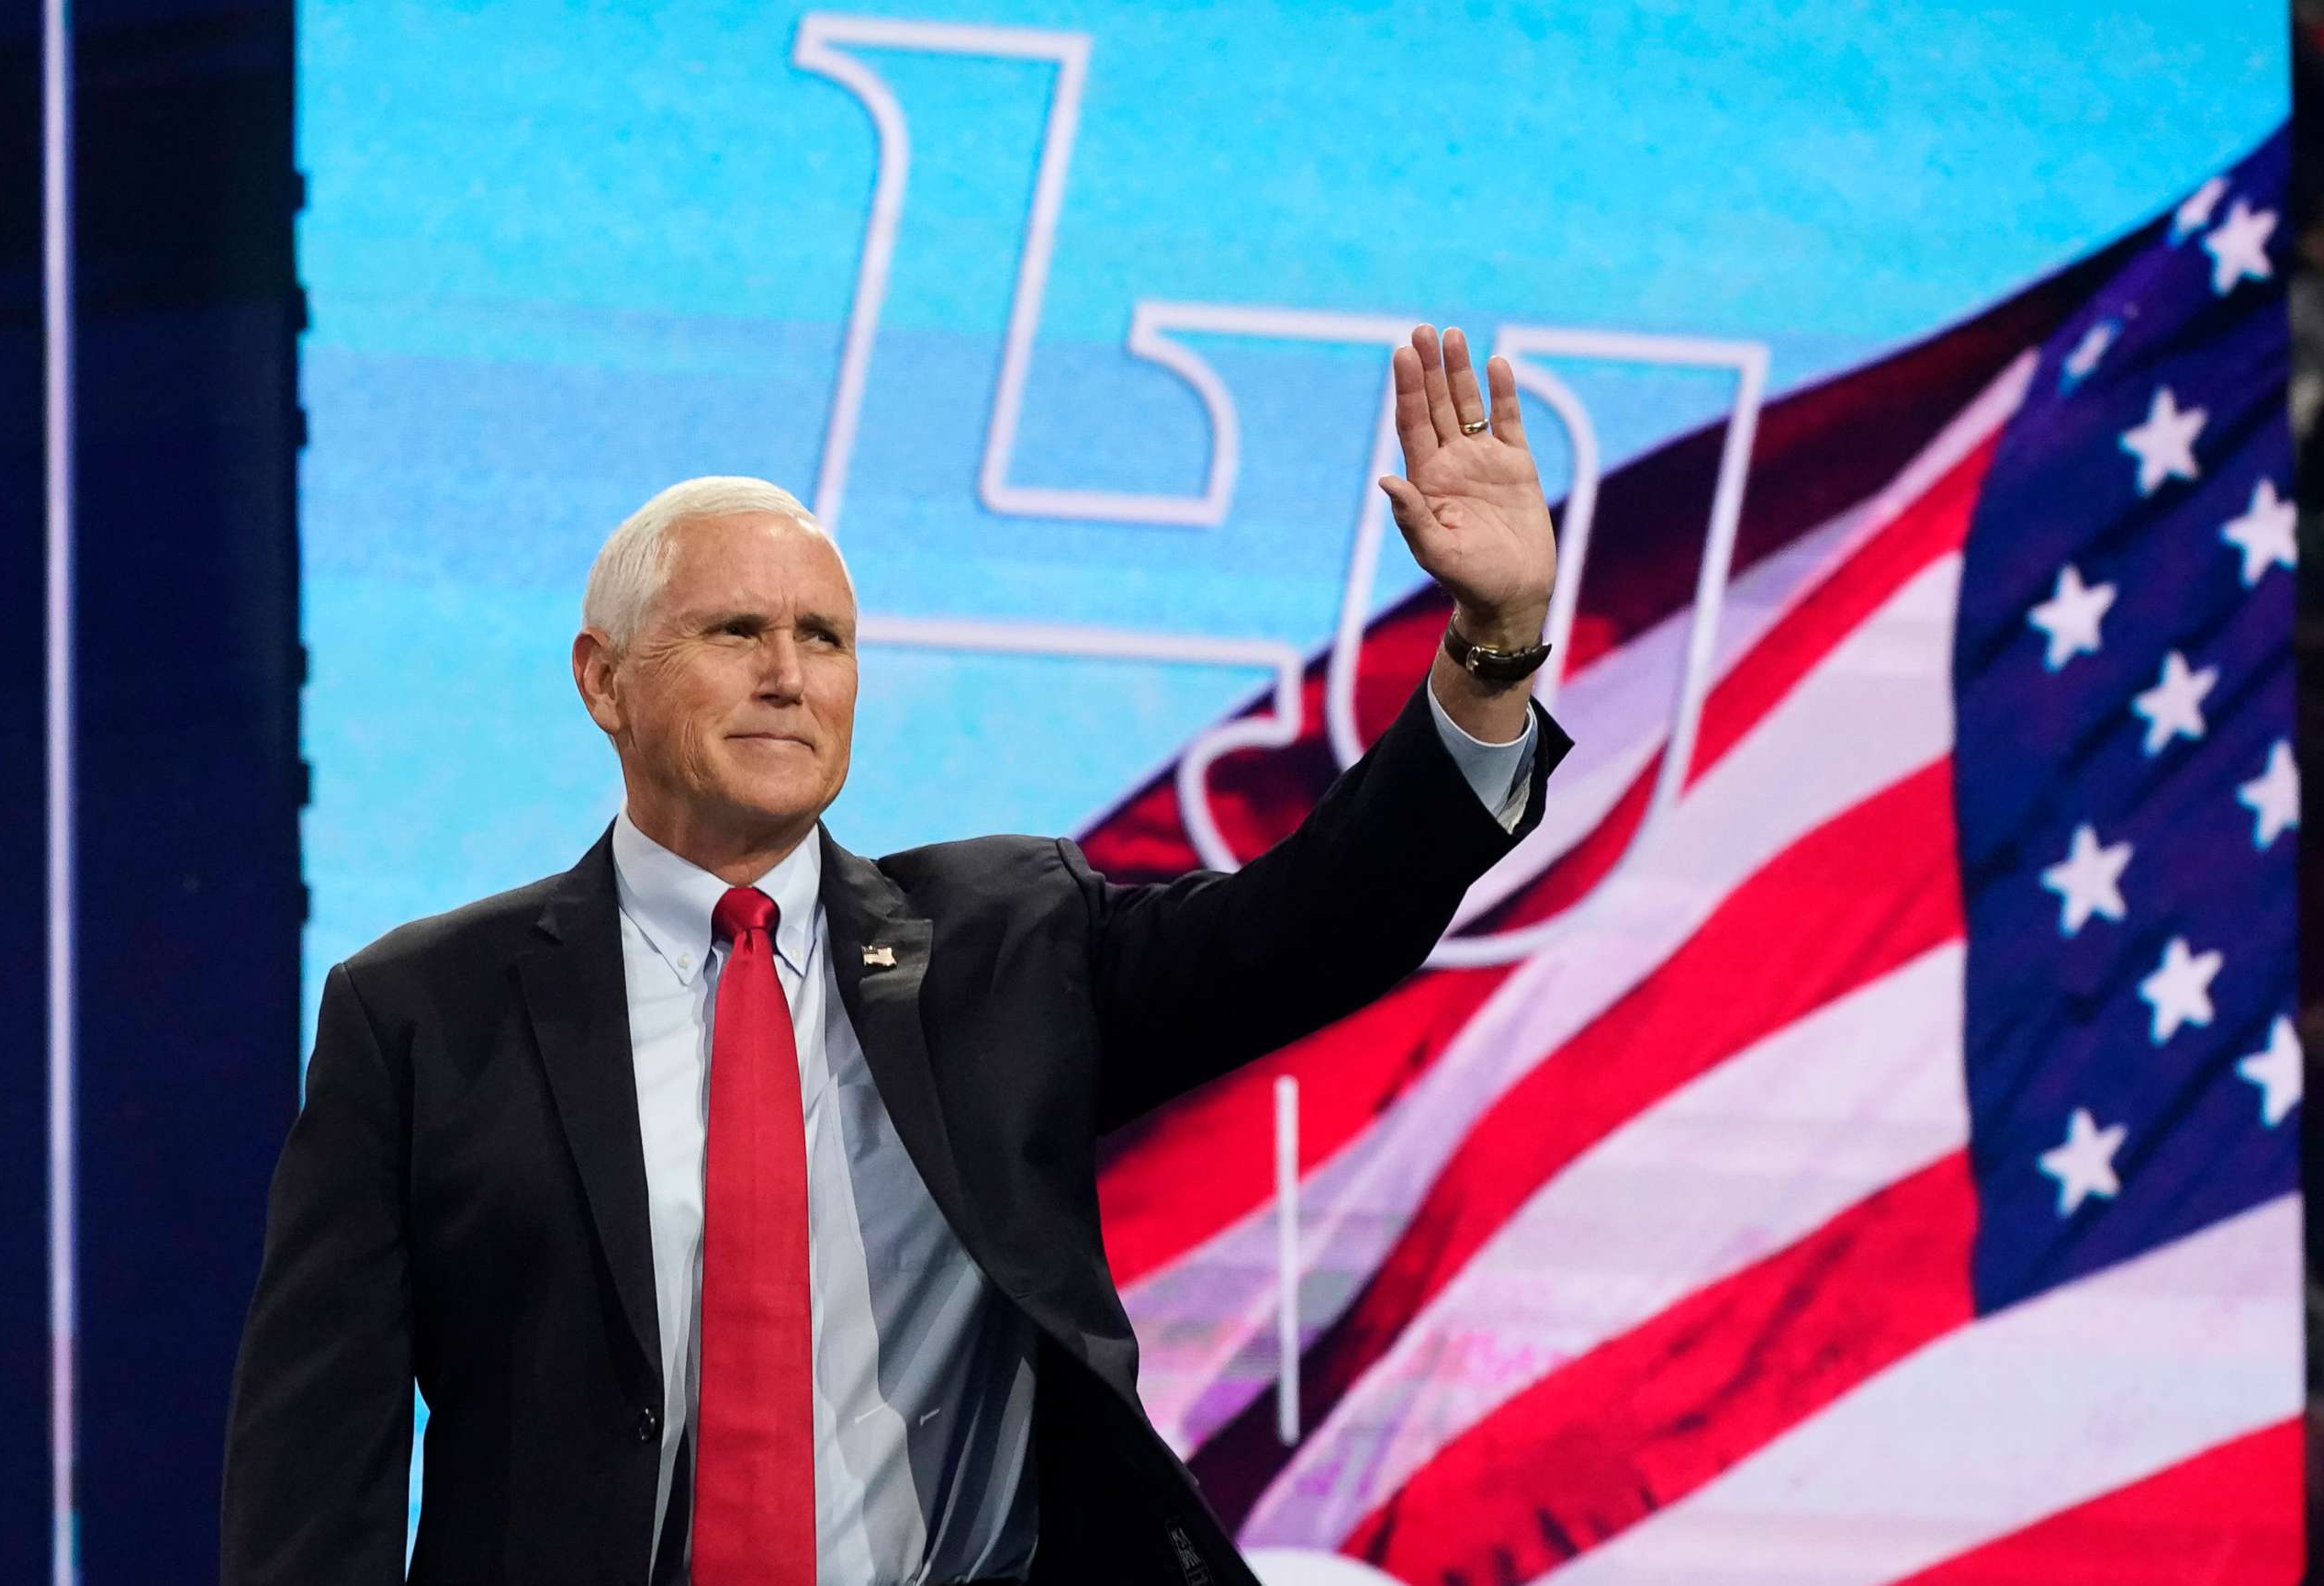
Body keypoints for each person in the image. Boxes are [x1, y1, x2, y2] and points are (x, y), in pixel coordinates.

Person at [219, 324, 1575, 1586]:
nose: (788, 675)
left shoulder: (1009, 942)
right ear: (602, 680)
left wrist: (1492, 648)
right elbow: (315, 1459)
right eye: (735, 631)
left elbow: (1312, 929)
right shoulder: (422, 1011)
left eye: (824, 638)